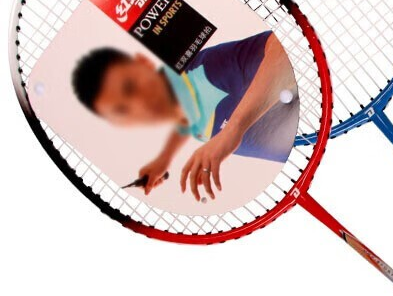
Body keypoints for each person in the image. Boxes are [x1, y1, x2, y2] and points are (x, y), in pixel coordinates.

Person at [71, 31, 298, 201]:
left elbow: (286, 45)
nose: (138, 105)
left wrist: (233, 128)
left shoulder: (204, 71)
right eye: (123, 110)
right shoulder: (192, 119)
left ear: (143, 63)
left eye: (130, 87)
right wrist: (164, 159)